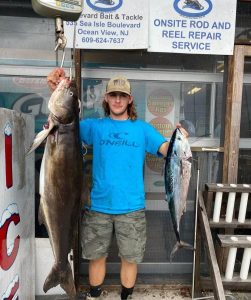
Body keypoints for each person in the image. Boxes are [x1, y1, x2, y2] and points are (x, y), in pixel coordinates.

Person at [47, 69, 188, 300]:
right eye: (113, 95)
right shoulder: (94, 127)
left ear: (130, 99)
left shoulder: (142, 129)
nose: (118, 100)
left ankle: (126, 296)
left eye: (122, 95)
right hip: (98, 206)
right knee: (96, 257)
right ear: (106, 98)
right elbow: (62, 122)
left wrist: (179, 139)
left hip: (132, 208)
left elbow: (166, 150)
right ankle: (94, 295)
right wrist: (56, 90)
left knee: (130, 259)